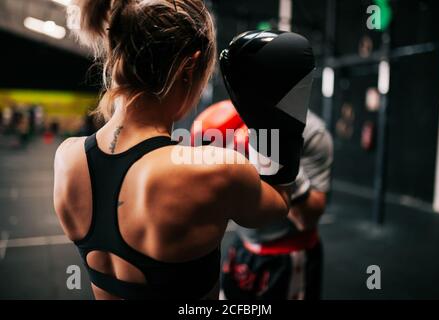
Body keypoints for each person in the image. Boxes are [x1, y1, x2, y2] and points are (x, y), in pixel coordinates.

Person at [53, 0, 305, 300]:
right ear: (189, 67)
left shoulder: (68, 158)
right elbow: (277, 205)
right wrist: (271, 119)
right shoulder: (214, 168)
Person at [219, 108, 333, 300]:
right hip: (242, 246)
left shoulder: (314, 132)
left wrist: (281, 162)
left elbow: (309, 217)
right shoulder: (232, 117)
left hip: (288, 255)